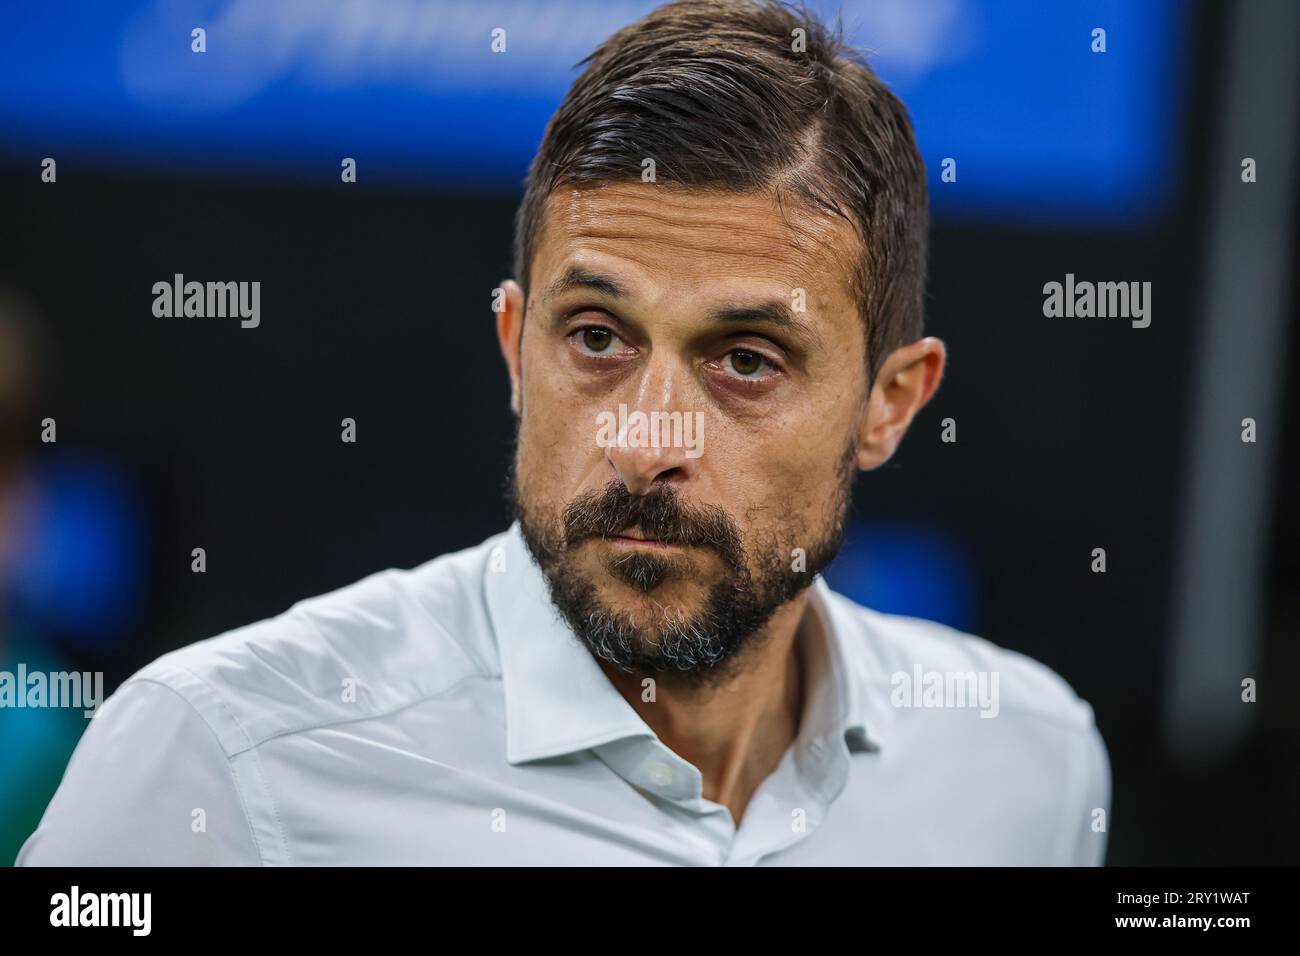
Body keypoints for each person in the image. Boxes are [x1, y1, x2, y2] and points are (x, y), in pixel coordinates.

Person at [18, 0, 1109, 866]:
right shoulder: (214, 755)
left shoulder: (1027, 758)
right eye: (596, 336)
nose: (646, 435)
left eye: (745, 360)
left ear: (890, 403)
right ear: (513, 346)